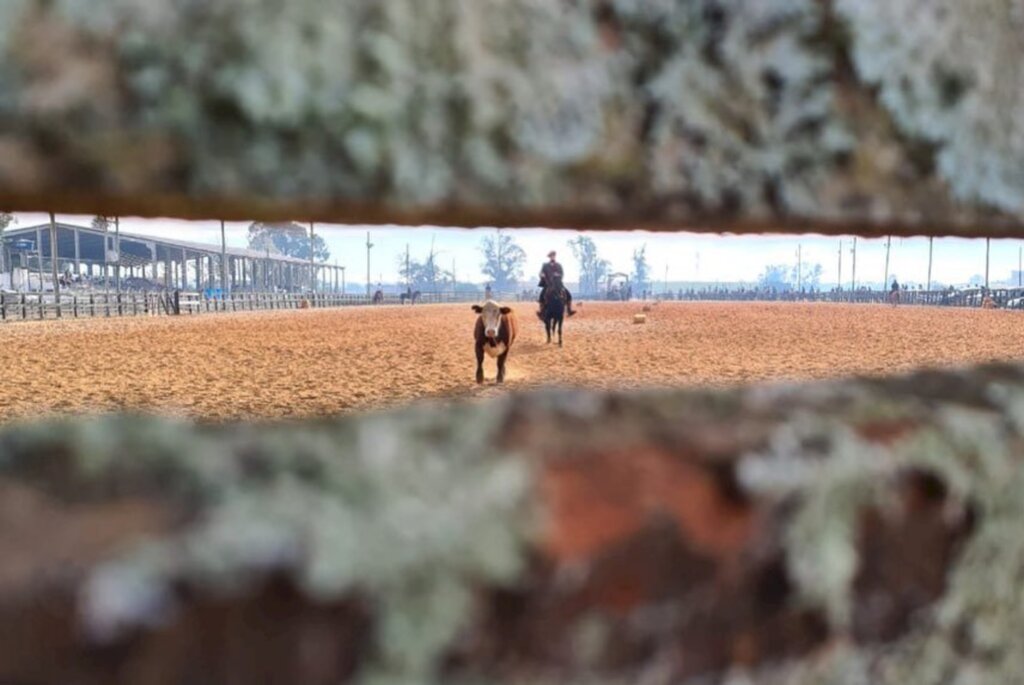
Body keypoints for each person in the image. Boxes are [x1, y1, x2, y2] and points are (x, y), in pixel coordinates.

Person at [537, 251, 576, 319]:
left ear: (555, 256)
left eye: (554, 256)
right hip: (548, 284)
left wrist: (558, 275)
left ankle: (569, 310)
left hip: (558, 284)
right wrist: (542, 275)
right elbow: (540, 273)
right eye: (551, 256)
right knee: (541, 296)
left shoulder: (558, 265)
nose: (553, 257)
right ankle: (541, 312)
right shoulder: (545, 265)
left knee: (568, 295)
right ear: (549, 257)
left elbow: (562, 274)